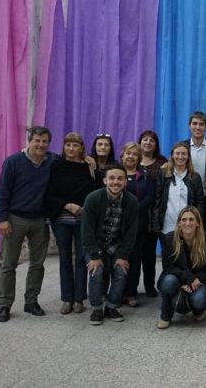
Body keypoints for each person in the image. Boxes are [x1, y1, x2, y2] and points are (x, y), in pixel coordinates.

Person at [0, 126, 56, 322]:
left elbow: (72, 162)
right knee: (9, 264)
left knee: (37, 264)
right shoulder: (13, 162)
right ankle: (5, 305)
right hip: (15, 219)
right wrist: (3, 219)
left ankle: (31, 301)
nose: (41, 144)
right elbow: (2, 192)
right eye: (37, 140)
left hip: (40, 220)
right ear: (29, 141)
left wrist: (88, 159)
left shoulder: (53, 161)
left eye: (45, 141)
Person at [45, 132, 98, 315]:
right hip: (62, 219)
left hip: (84, 220)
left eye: (75, 145)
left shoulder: (88, 166)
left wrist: (95, 168)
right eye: (68, 145)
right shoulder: (56, 165)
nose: (71, 148)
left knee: (82, 259)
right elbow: (49, 193)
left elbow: (96, 190)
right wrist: (67, 205)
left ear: (81, 147)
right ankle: (67, 298)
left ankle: (79, 299)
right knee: (65, 258)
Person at [82, 164, 138, 325]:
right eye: (111, 178)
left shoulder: (132, 201)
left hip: (116, 244)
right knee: (96, 270)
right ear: (105, 180)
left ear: (125, 181)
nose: (116, 182)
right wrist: (93, 256)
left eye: (120, 178)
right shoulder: (92, 198)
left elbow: (131, 232)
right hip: (95, 244)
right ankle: (96, 308)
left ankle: (112, 306)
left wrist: (123, 255)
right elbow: (86, 230)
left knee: (121, 270)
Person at [156, 206, 206, 329]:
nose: (187, 223)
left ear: (198, 223)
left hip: (199, 280)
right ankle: (166, 314)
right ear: (179, 223)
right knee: (168, 282)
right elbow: (168, 267)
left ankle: (197, 310)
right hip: (177, 278)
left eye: (191, 219)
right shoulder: (169, 238)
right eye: (184, 220)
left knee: (198, 300)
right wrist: (186, 281)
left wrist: (196, 280)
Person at [121, 143, 155, 306]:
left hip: (139, 223)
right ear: (122, 155)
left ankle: (131, 293)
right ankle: (117, 292)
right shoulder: (115, 173)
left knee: (135, 260)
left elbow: (150, 196)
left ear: (139, 157)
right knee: (119, 258)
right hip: (118, 223)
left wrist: (134, 208)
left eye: (134, 154)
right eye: (128, 153)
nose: (131, 156)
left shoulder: (145, 175)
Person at [137, 130, 167, 297]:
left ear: (156, 145)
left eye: (151, 140)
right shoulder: (132, 160)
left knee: (149, 254)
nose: (148, 142)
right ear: (140, 142)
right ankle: (130, 288)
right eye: (145, 139)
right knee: (134, 253)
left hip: (154, 214)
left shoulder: (163, 162)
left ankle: (149, 286)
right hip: (134, 213)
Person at [153, 142, 205, 235]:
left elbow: (200, 203)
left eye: (184, 154)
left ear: (188, 156)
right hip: (167, 226)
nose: (180, 157)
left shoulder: (195, 177)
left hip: (188, 226)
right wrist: (156, 223)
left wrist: (197, 222)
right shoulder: (163, 174)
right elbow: (157, 200)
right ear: (172, 156)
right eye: (177, 153)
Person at [183, 111, 206, 191]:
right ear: (189, 126)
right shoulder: (182, 146)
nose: (198, 127)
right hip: (186, 193)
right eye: (194, 124)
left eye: (201, 124)